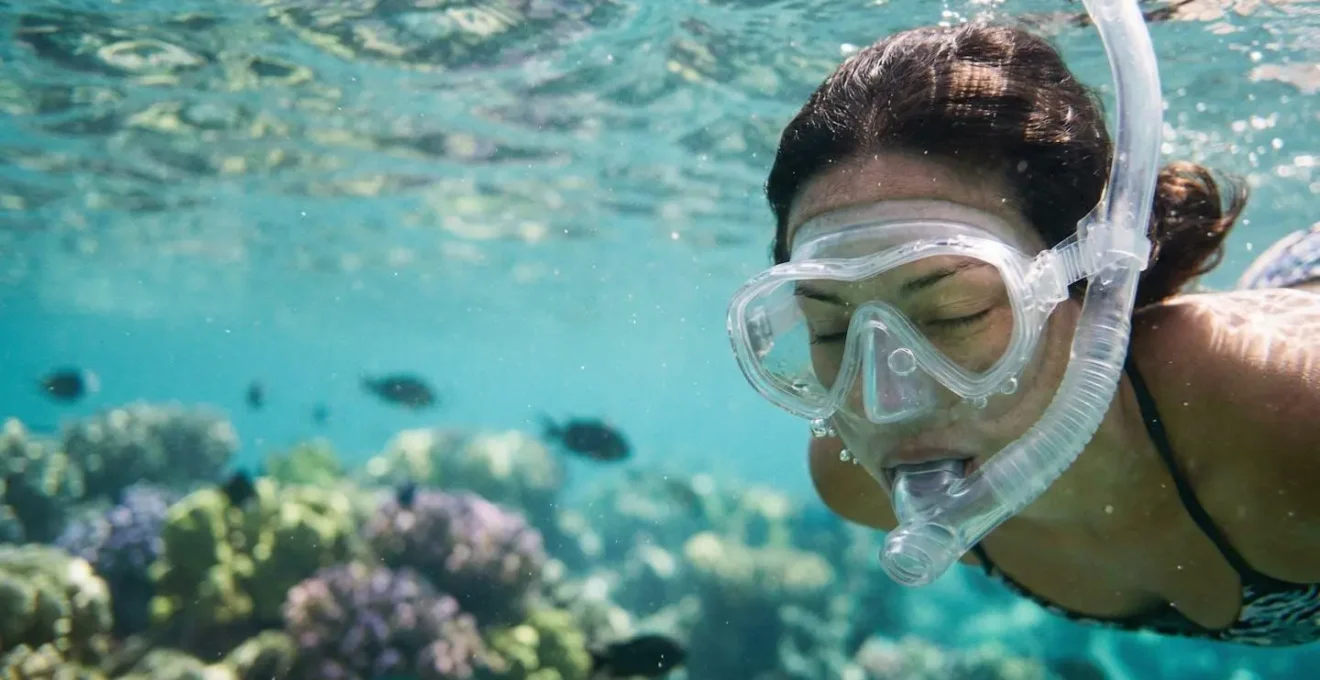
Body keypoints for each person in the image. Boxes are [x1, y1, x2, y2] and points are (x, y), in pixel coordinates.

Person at [740, 21, 1320, 646]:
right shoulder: (852, 482)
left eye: (956, 312)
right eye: (829, 329)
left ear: (1097, 281)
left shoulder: (1295, 421)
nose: (885, 404)